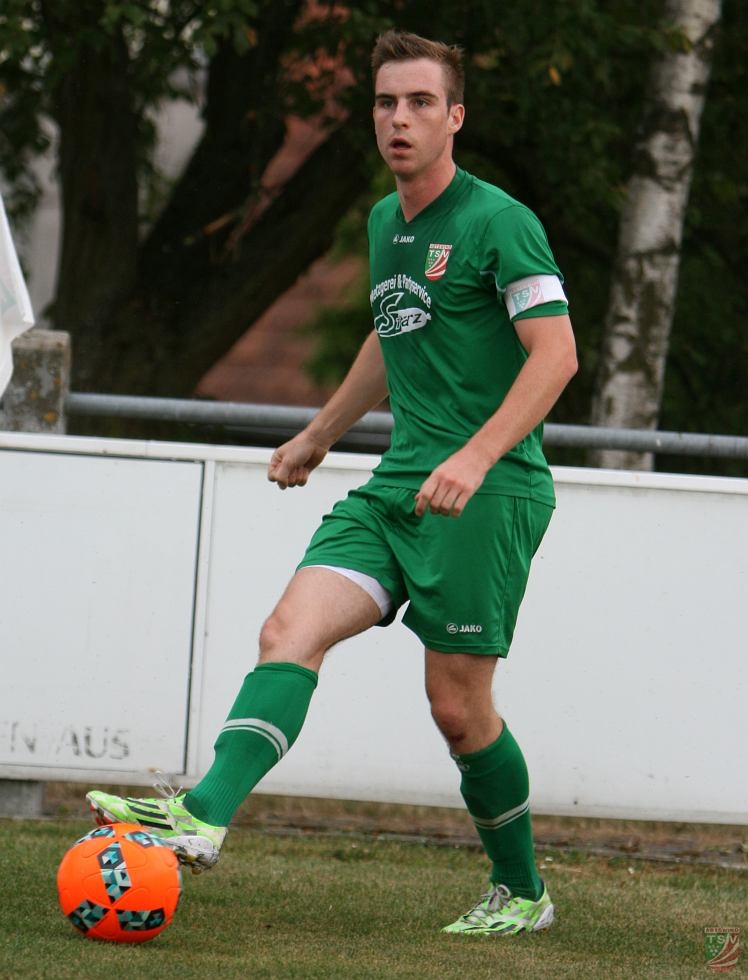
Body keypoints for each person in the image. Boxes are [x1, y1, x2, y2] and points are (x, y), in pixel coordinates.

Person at [86, 29, 577, 937]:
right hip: (396, 490)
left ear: (455, 117)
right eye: (386, 102)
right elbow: (390, 335)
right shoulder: (387, 222)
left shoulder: (498, 221)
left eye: (420, 102)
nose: (400, 119)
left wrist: (475, 457)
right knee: (289, 630)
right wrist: (318, 433)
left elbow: (557, 356)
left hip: (490, 491)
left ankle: (523, 893)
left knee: (457, 709)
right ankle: (203, 814)